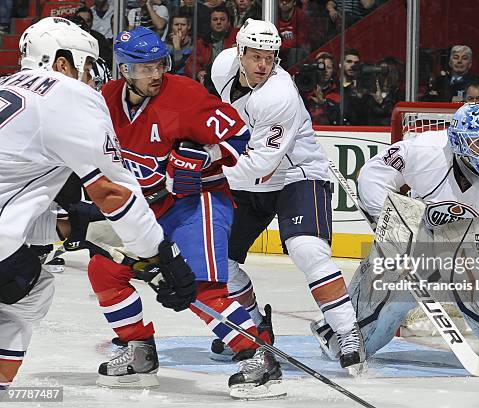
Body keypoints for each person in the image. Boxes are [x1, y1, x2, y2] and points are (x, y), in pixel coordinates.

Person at [0, 17, 196, 396]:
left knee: (22, 276)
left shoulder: (8, 87)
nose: (94, 77)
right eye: (88, 65)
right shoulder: (69, 95)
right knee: (31, 289)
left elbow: (12, 194)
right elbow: (113, 193)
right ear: (60, 63)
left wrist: (75, 227)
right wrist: (160, 254)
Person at [93, 26, 285, 399]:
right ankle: (139, 352)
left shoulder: (185, 94)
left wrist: (205, 154)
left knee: (200, 288)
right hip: (146, 207)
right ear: (124, 70)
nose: (155, 74)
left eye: (159, 65)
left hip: (199, 202)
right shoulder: (106, 100)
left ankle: (258, 358)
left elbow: (238, 136)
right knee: (106, 271)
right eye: (144, 68)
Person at [312, 103, 479, 363]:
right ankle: (345, 333)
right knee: (394, 275)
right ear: (457, 142)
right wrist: (392, 222)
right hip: (425, 228)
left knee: (473, 271)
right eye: (478, 142)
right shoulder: (424, 151)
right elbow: (372, 177)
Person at [210, 19, 365, 371]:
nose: (264, 65)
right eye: (256, 57)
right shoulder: (221, 67)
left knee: (307, 249)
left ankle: (347, 332)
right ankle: (252, 326)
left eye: (271, 57)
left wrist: (205, 172)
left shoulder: (278, 94)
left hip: (296, 173)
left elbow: (262, 162)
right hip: (249, 177)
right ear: (240, 52)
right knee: (219, 258)